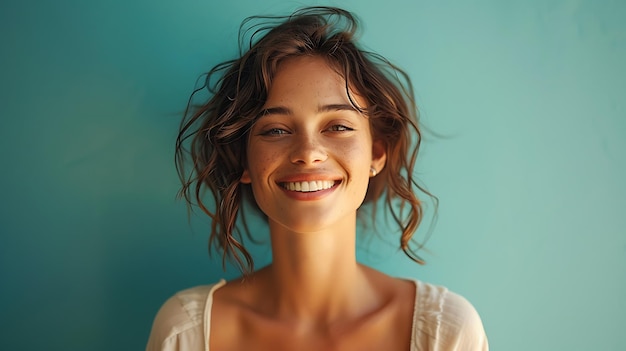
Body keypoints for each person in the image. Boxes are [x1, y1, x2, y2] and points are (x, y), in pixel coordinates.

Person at [146, 6, 488, 351]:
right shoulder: (186, 332)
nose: (308, 153)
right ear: (243, 161)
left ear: (376, 153)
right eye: (276, 129)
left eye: (338, 126)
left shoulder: (447, 333)